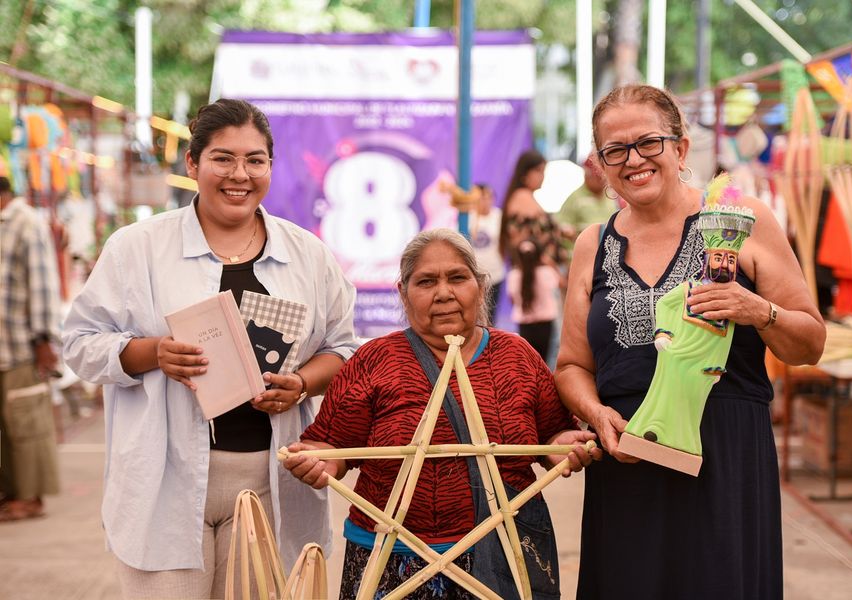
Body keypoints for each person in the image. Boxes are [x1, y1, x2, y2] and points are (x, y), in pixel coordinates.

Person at [62, 99, 358, 599]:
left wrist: (302, 383)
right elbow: (81, 343)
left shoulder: (307, 254)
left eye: (255, 160)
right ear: (193, 164)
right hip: (163, 479)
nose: (239, 174)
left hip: (269, 478)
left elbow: (343, 350)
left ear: (270, 165)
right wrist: (152, 352)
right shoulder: (138, 248)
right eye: (222, 158)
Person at [554, 85, 825, 600]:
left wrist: (757, 311)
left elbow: (809, 343)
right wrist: (595, 413)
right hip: (628, 461)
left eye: (648, 143)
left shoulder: (743, 221)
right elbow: (571, 365)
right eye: (615, 150)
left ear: (680, 150)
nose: (633, 159)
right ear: (601, 165)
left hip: (725, 465)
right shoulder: (594, 243)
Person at [283, 228, 599, 600]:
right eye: (426, 281)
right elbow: (331, 447)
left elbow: (552, 437)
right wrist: (316, 462)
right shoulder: (373, 361)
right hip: (390, 555)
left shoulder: (517, 356)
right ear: (403, 293)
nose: (444, 293)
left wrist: (567, 446)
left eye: (457, 278)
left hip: (503, 550)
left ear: (480, 286)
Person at [0, 174, 62, 523]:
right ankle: (12, 492)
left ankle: (30, 497)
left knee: (26, 424)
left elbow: (41, 286)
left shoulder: (26, 223)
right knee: (7, 429)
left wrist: (42, 340)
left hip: (20, 346)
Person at [505, 239, 561, 362]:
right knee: (543, 361)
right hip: (545, 323)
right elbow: (561, 283)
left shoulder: (513, 275)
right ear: (539, 254)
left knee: (529, 361)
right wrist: (550, 263)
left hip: (525, 324)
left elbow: (512, 300)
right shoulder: (547, 272)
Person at [555, 153, 618, 249]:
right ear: (586, 175)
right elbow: (560, 225)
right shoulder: (575, 198)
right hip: (581, 254)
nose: (601, 180)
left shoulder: (612, 195)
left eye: (602, 176)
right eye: (597, 177)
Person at [469, 183, 505, 325]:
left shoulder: (499, 217)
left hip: (495, 275)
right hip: (473, 276)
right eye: (481, 197)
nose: (485, 201)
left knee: (490, 318)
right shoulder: (467, 217)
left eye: (489, 197)